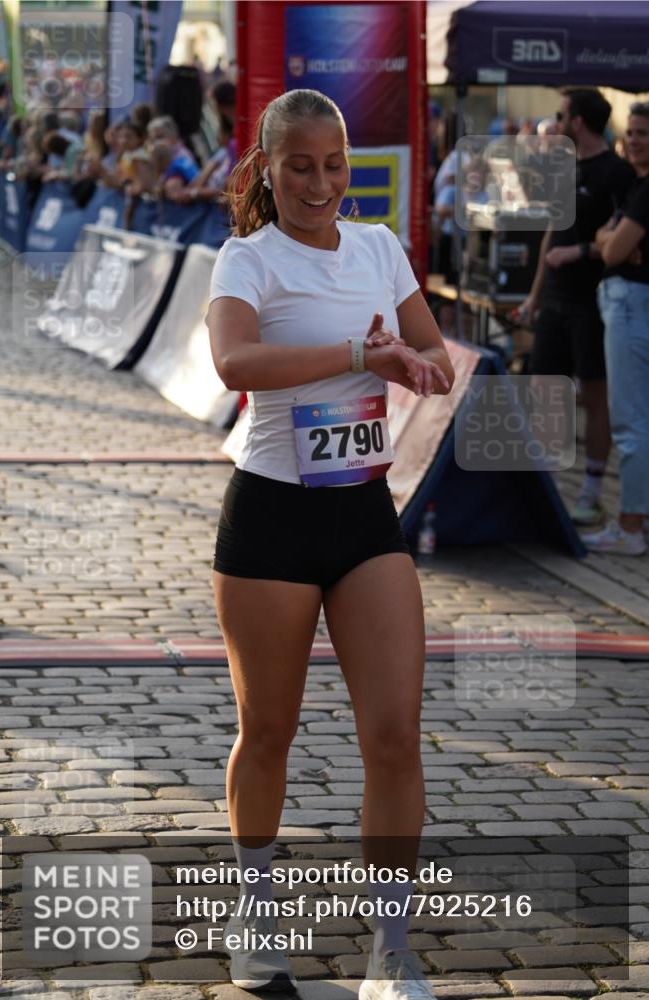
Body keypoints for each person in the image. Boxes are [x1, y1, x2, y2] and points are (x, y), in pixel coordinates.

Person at [206, 88, 454, 998]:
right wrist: (356, 352)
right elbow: (234, 363)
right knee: (266, 731)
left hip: (364, 517)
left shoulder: (379, 247)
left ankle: (389, 950)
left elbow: (429, 352)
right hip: (270, 517)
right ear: (266, 169)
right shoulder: (246, 260)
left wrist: (417, 365)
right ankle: (255, 910)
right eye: (299, 164)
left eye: (334, 163)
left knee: (394, 737)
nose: (320, 182)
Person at [521, 88, 636, 527]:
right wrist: (534, 295)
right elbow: (553, 231)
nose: (558, 120)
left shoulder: (618, 174)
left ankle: (590, 490)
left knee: (593, 395)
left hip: (594, 301)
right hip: (554, 300)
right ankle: (546, 487)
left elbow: (622, 241)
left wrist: (581, 254)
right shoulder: (563, 166)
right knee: (543, 391)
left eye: (561, 115)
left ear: (579, 122)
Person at [583, 102, 649, 555]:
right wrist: (612, 240)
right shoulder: (636, 187)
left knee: (630, 422)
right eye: (633, 131)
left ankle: (629, 528)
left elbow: (609, 249)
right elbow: (609, 241)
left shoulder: (645, 193)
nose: (636, 139)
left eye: (645, 133)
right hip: (628, 301)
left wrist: (611, 240)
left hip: (630, 303)